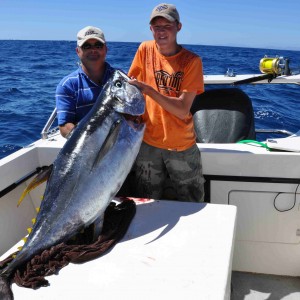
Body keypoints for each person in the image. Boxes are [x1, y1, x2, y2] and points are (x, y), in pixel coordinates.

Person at [128, 3, 205, 202]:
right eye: (157, 27)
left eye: (167, 26)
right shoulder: (144, 49)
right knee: (146, 200)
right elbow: (132, 91)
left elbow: (182, 109)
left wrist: (150, 91)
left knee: (191, 203)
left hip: (181, 145)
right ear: (151, 29)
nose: (161, 31)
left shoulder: (191, 61)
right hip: (147, 143)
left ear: (178, 27)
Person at [56, 26, 114, 138]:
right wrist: (92, 140)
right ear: (78, 51)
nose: (93, 50)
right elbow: (64, 126)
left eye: (98, 45)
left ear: (106, 49)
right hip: (89, 149)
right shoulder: (67, 85)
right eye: (87, 46)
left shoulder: (119, 79)